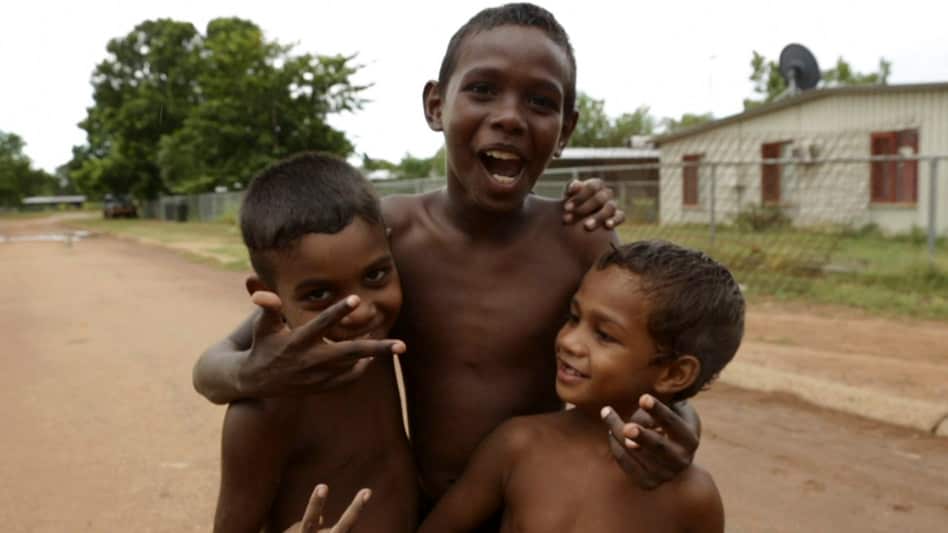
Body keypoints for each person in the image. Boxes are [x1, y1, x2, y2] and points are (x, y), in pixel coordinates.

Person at [194, 2, 700, 521]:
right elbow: (213, 370)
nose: (509, 116)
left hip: (528, 511)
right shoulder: (387, 239)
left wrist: (680, 425)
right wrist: (253, 375)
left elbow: (654, 365)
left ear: (566, 128)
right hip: (423, 507)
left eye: (540, 101)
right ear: (436, 105)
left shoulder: (581, 241)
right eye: (483, 89)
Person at [419, 241, 745, 532]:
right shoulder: (518, 445)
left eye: (604, 335)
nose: (569, 342)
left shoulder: (693, 498)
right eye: (573, 317)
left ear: (675, 374)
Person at [212, 153, 417, 533]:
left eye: (374, 275)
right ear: (267, 294)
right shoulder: (263, 411)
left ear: (391, 253)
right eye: (320, 294)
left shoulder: (376, 346)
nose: (357, 310)